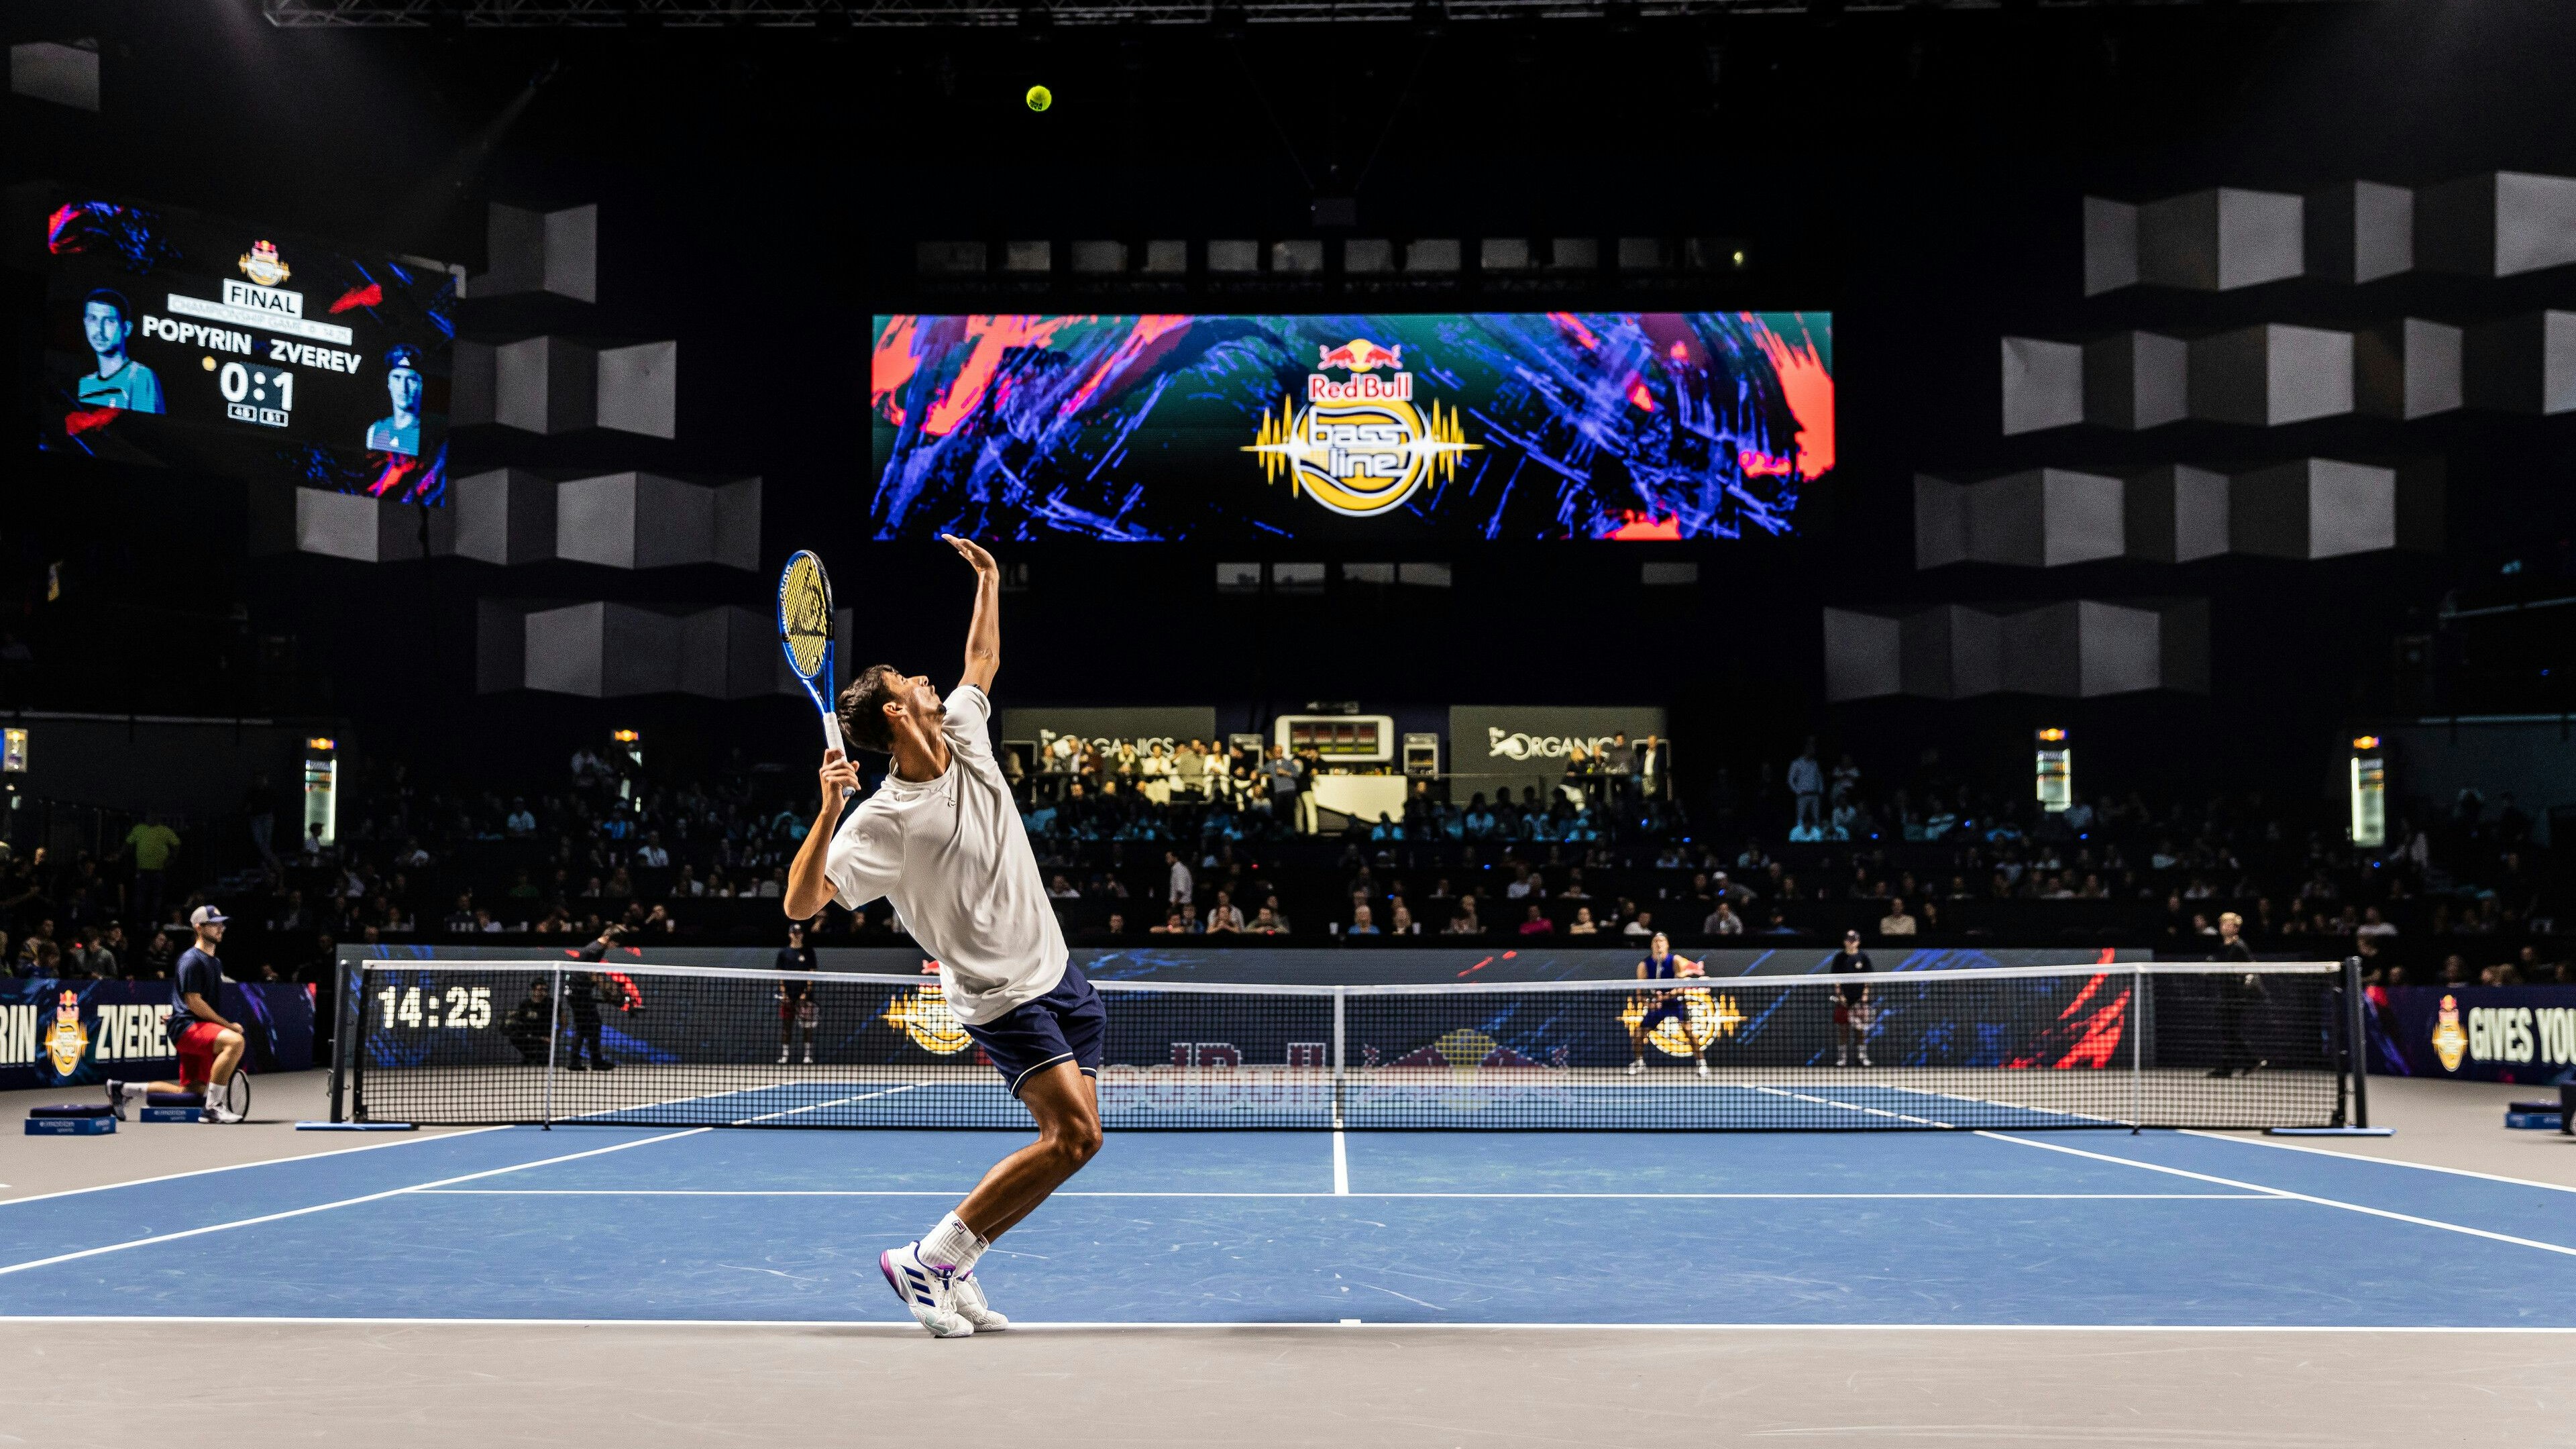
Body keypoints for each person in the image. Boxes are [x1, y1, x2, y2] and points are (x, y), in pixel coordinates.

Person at [782, 534, 1096, 1341]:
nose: (932, 681)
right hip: (999, 996)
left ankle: (954, 1262)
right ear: (895, 712)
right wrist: (827, 814)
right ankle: (926, 1257)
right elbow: (800, 903)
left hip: (1056, 971)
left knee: (1073, 1147)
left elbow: (981, 661)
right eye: (911, 682)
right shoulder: (879, 824)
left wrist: (989, 580)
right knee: (1076, 1133)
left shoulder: (962, 727)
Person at [105, 906, 244, 1122]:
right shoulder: (191, 960)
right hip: (188, 1029)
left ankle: (122, 1090)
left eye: (222, 924)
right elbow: (194, 1001)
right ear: (199, 928)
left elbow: (186, 1000)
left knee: (190, 1093)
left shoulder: (215, 963)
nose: (221, 928)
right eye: (215, 924)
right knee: (234, 1042)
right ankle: (214, 1107)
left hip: (195, 1026)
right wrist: (227, 1025)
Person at [1623, 932, 1710, 1077]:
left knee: (1689, 1032)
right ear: (1652, 945)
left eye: (1662, 941)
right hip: (1656, 1005)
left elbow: (1681, 988)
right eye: (1656, 941)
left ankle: (1701, 1063)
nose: (1659, 944)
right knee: (1638, 1034)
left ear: (1667, 944)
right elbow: (1640, 995)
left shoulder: (1675, 960)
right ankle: (1639, 1062)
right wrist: (1649, 1004)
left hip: (1675, 1003)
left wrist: (1663, 998)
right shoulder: (1644, 965)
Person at [76, 288, 164, 413]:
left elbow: (146, 428)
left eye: (109, 321)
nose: (99, 330)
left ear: (126, 328)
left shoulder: (141, 377)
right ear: (85, 323)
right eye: (93, 319)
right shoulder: (84, 384)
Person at [2209, 910, 2267, 1079]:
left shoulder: (2240, 947)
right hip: (2225, 994)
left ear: (2236, 928)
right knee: (2228, 1032)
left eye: (2227, 924)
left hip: (2236, 996)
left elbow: (2250, 967)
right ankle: (2233, 1066)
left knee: (2230, 1032)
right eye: (2222, 924)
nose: (2223, 927)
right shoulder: (2222, 948)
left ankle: (2248, 1061)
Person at [366, 343, 425, 455]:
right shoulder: (376, 430)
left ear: (420, 384)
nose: (403, 387)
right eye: (397, 377)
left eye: (411, 379)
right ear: (389, 384)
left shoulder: (424, 434)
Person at [124, 814, 180, 927]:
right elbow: (128, 844)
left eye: (154, 816)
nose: (151, 818)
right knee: (141, 896)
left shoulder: (164, 830)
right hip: (142, 869)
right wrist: (128, 859)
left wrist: (171, 860)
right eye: (149, 816)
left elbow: (177, 844)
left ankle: (153, 921)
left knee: (156, 897)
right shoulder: (139, 829)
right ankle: (139, 921)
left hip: (158, 870)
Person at [777, 920, 820, 1065]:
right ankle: (785, 1056)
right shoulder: (783, 953)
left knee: (807, 1028)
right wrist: (784, 994)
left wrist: (805, 994)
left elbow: (812, 974)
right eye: (794, 933)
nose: (797, 935)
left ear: (802, 935)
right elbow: (780, 975)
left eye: (799, 933)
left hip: (805, 998)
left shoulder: (808, 952)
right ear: (790, 935)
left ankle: (807, 1056)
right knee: (787, 1027)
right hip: (788, 997)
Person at [1829, 928, 1874, 1067]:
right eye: (1849, 940)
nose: (1851, 942)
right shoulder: (1839, 958)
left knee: (1861, 1030)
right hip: (1843, 1000)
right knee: (1843, 1030)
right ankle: (1842, 1059)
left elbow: (1869, 978)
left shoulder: (1863, 957)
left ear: (1858, 942)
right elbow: (1835, 978)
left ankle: (1862, 1057)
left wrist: (1865, 995)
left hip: (1859, 1000)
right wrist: (1840, 995)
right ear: (1844, 942)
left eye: (1853, 940)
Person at [503, 978, 553, 1065]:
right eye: (540, 990)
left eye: (545, 990)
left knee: (543, 1062)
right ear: (534, 990)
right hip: (530, 1037)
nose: (543, 992)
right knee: (514, 1034)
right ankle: (529, 1055)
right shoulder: (526, 1004)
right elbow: (519, 1020)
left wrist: (555, 1037)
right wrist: (512, 1017)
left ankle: (540, 1055)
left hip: (546, 1038)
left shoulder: (551, 1004)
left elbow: (563, 1021)